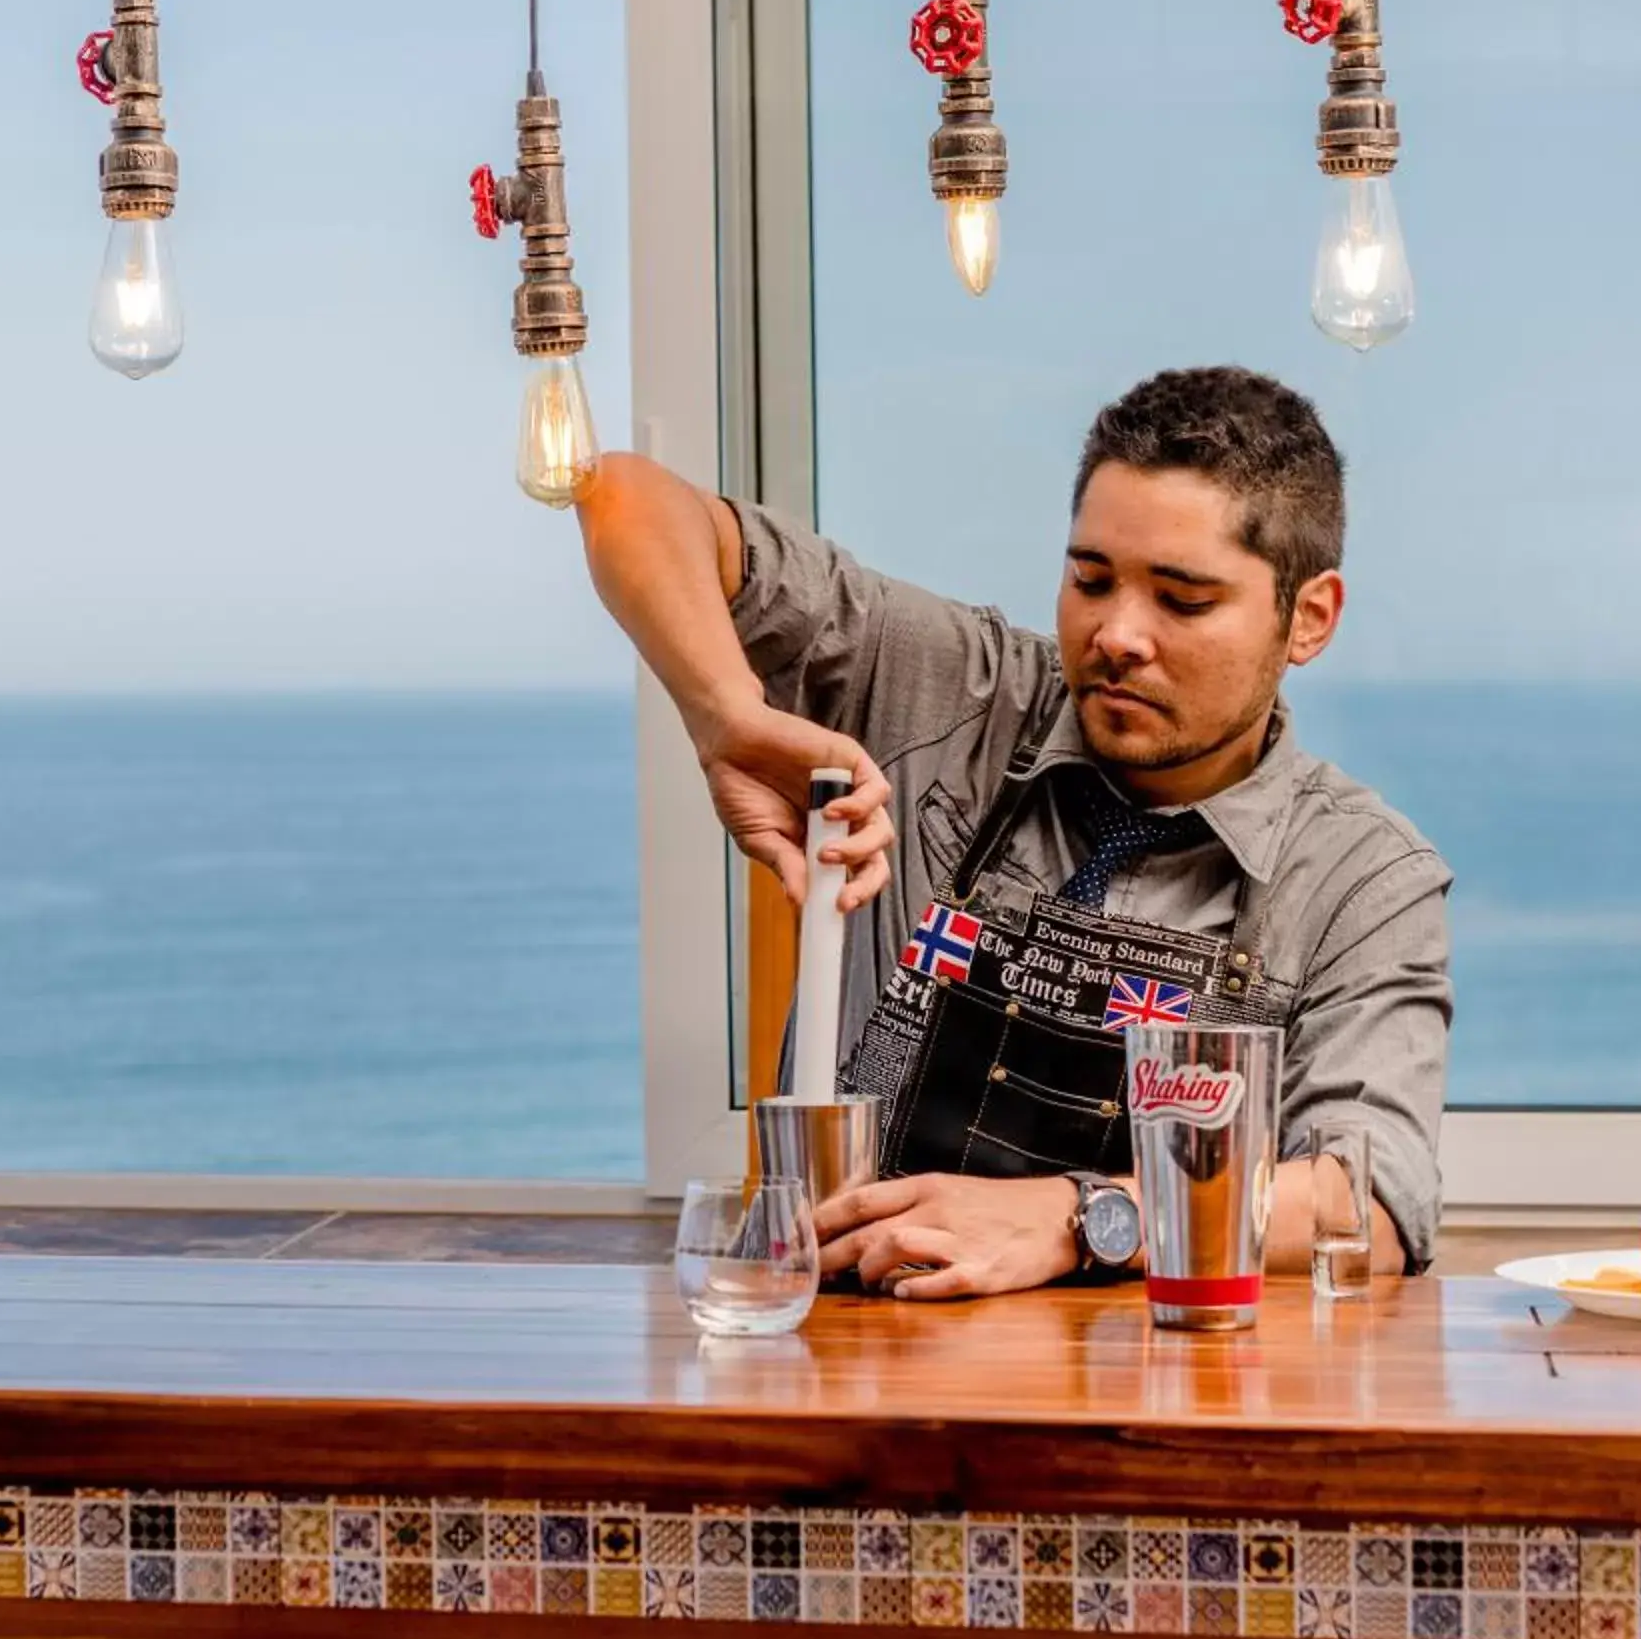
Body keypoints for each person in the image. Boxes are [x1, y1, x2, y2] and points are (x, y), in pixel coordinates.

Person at [577, 365, 1449, 1298]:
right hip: (833, 1365)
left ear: (1307, 618)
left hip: (1143, 1406)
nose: (1117, 633)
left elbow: (1370, 1203)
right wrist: (723, 716)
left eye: (1182, 600)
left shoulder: (1364, 880)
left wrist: (1079, 1217)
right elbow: (624, 498)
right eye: (1090, 578)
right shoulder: (947, 688)